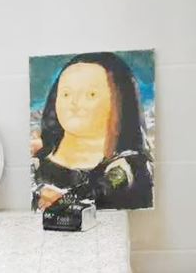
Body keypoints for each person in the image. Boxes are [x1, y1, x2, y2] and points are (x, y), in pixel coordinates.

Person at [31, 51, 154, 211]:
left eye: (91, 94)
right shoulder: (35, 164)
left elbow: (99, 194)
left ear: (118, 100)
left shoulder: (130, 167)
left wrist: (63, 202)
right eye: (66, 94)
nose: (74, 102)